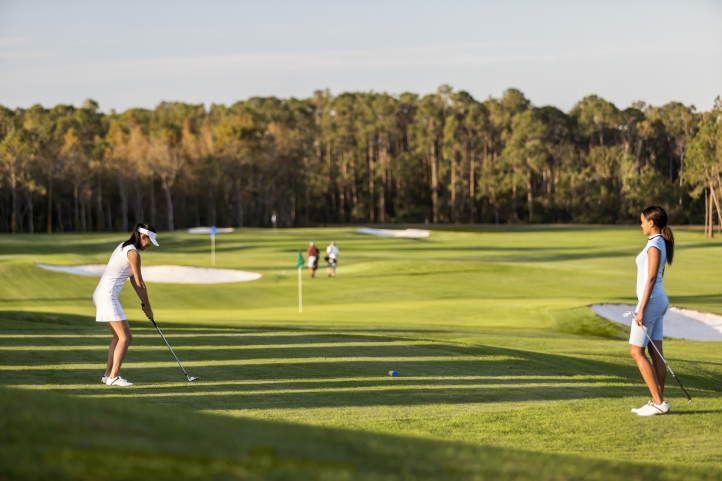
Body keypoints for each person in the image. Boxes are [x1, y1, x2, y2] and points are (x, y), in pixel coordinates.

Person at [93, 223, 159, 387]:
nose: (150, 244)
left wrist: (144, 304)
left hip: (101, 294)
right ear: (143, 237)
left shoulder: (124, 247)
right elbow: (140, 282)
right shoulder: (133, 253)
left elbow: (134, 283)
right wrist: (149, 308)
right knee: (126, 337)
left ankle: (108, 375)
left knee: (118, 337)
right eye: (150, 240)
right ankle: (114, 377)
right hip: (107, 296)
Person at [629, 206, 674, 416]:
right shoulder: (659, 242)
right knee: (655, 351)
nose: (641, 224)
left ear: (651, 223)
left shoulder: (655, 244)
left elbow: (652, 278)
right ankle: (659, 400)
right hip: (659, 301)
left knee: (635, 351)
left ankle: (658, 401)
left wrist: (641, 309)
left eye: (643, 221)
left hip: (652, 302)